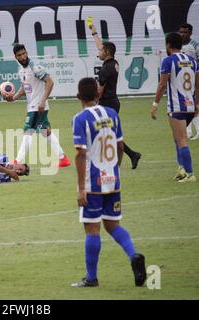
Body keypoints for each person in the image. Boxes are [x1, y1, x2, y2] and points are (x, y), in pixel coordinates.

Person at [71, 77, 146, 288]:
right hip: (113, 180)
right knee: (113, 225)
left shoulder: (80, 119)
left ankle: (91, 278)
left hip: (93, 183)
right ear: (98, 94)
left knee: (92, 229)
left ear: (79, 97)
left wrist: (80, 188)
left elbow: (80, 154)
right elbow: (120, 147)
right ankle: (133, 254)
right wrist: (116, 168)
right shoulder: (112, 114)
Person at [5, 44, 71, 168]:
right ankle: (63, 158)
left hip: (37, 106)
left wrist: (42, 101)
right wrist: (13, 98)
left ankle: (18, 161)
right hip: (34, 106)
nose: (23, 56)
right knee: (46, 132)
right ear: (16, 57)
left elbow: (50, 82)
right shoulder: (21, 70)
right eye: (20, 55)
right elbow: (24, 89)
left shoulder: (35, 67)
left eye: (24, 53)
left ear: (27, 52)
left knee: (27, 131)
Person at [88, 23, 142, 169]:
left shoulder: (105, 70)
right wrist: (94, 33)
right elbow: (101, 47)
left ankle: (125, 157)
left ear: (107, 52)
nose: (98, 52)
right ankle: (130, 156)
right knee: (108, 133)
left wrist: (93, 105)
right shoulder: (114, 63)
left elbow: (99, 92)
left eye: (101, 51)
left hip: (106, 104)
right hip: (113, 102)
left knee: (107, 134)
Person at [150, 32, 199, 182]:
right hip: (190, 106)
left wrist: (155, 104)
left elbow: (162, 84)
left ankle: (190, 174)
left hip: (177, 107)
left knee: (181, 139)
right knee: (177, 138)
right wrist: (197, 103)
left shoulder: (168, 61)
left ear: (168, 45)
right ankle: (181, 168)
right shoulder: (193, 60)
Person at [180, 23, 199, 140]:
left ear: (190, 33)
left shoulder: (195, 46)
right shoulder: (177, 45)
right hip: (182, 81)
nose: (182, 34)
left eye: (185, 32)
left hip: (193, 81)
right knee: (186, 105)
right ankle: (189, 131)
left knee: (191, 105)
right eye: (181, 32)